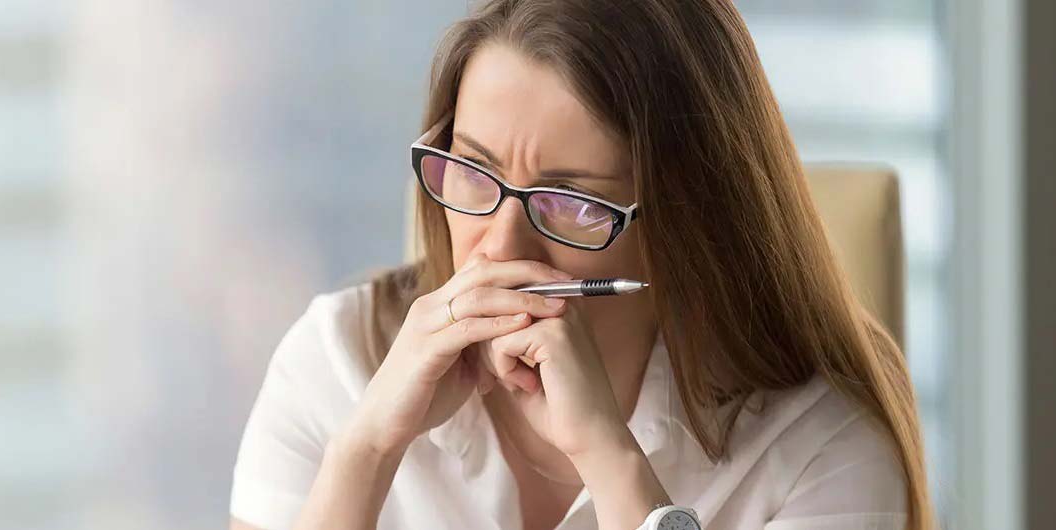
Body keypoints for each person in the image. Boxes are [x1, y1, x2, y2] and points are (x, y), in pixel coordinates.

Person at [229, 1, 932, 529]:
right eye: (473, 170)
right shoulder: (332, 364)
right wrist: (366, 451)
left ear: (687, 221)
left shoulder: (819, 448)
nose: (500, 248)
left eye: (567, 200)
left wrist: (611, 460)